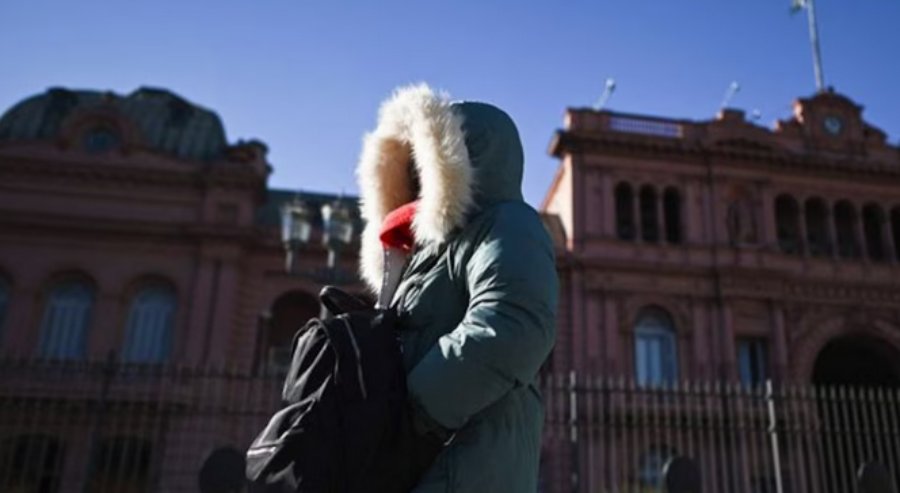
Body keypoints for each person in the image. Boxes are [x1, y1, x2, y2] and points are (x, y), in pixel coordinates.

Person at [356, 84, 558, 492]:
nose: (416, 176)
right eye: (409, 165)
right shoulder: (419, 255)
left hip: (466, 470)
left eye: (425, 161)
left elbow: (512, 323)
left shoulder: (507, 223)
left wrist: (413, 413)